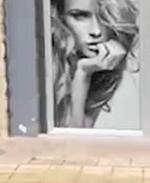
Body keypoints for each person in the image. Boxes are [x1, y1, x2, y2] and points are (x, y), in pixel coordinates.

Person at [51, 0, 140, 129]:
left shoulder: (97, 65)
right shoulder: (45, 62)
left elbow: (78, 136)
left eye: (104, 18)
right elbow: (69, 143)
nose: (96, 31)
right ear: (59, 17)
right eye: (80, 16)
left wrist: (82, 75)